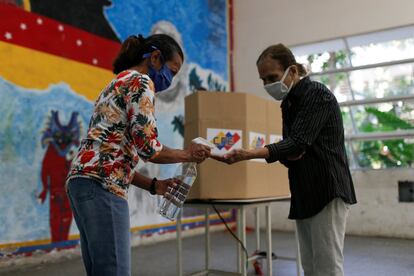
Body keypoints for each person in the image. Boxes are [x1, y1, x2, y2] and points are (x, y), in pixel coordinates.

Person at [66, 34, 211, 276]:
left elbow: (111, 156)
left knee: (101, 270)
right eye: (172, 72)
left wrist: (155, 185)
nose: (170, 81)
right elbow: (149, 149)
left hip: (82, 184)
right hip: (103, 187)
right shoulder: (142, 82)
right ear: (155, 57)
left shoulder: (115, 83)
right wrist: (188, 154)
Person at [214, 44, 357, 276]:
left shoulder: (317, 95)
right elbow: (289, 154)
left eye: (272, 77)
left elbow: (295, 144)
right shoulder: (288, 104)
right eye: (263, 79)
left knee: (327, 265)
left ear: (292, 71)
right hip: (304, 191)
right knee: (310, 265)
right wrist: (289, 151)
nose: (267, 84)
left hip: (327, 190)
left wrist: (250, 153)